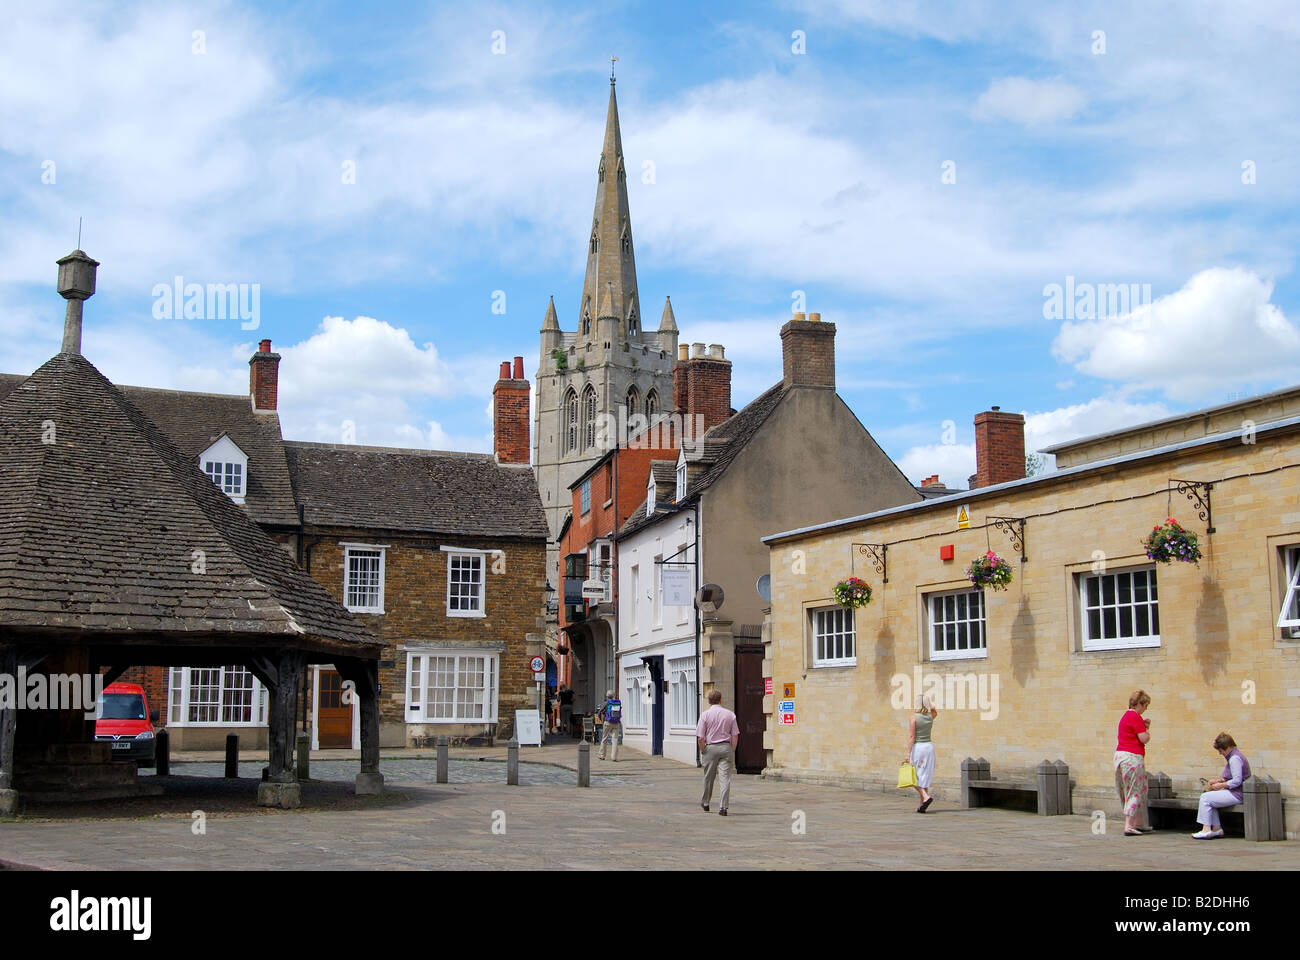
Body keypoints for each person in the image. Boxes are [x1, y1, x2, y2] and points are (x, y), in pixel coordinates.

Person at [1192, 733, 1251, 839]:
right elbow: (1232, 777)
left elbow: (1237, 781)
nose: (1220, 753)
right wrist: (1218, 781)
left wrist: (1221, 785)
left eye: (1221, 750)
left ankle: (1206, 829)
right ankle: (1216, 829)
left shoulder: (1234, 758)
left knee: (1205, 798)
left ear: (1227, 747)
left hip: (1237, 794)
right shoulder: (1235, 756)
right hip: (1236, 792)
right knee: (1210, 800)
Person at [1114, 689, 1153, 836]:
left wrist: (1143, 726)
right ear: (1140, 704)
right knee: (1136, 790)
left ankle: (1139, 823)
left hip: (1120, 756)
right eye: (1145, 706)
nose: (1145, 709)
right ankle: (1129, 825)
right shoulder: (1135, 716)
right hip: (1132, 757)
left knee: (1131, 789)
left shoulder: (1126, 716)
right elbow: (1143, 738)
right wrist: (1147, 731)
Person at [695, 689, 739, 816]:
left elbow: (701, 738)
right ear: (720, 700)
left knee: (709, 777)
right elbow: (735, 735)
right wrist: (732, 749)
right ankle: (723, 807)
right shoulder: (730, 715)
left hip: (710, 748)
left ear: (709, 701)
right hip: (726, 747)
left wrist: (703, 750)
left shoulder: (705, 715)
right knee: (725, 778)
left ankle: (706, 802)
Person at [904, 695, 939, 813]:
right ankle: (922, 804)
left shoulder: (913, 717)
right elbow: (934, 710)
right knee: (924, 775)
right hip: (929, 747)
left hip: (918, 747)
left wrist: (908, 754)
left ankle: (925, 796)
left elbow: (912, 736)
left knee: (913, 776)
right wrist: (930, 703)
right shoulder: (930, 716)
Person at [597, 689, 622, 761]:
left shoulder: (606, 703)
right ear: (613, 695)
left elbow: (599, 712)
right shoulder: (617, 702)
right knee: (615, 739)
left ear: (607, 696)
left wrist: (602, 720)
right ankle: (614, 757)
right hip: (616, 723)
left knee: (604, 738)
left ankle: (602, 755)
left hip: (607, 722)